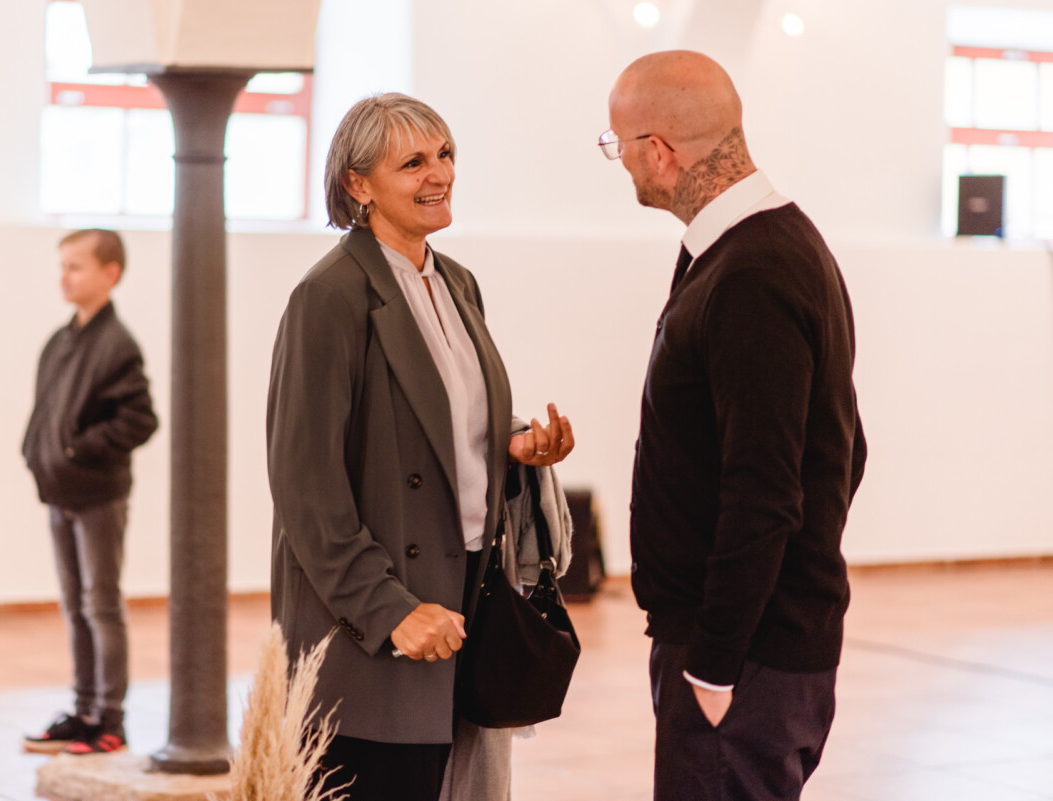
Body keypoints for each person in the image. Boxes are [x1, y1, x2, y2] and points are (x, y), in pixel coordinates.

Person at [267, 93, 574, 801]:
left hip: (467, 594)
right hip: (378, 614)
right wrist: (387, 609)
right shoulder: (329, 297)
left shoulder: (458, 282)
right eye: (413, 162)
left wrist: (515, 444)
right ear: (358, 184)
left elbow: (440, 427)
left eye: (446, 155)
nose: (439, 174)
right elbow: (305, 487)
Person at [606, 51, 867, 800]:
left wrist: (715, 665)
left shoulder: (754, 272)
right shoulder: (750, 248)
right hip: (752, 649)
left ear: (659, 151)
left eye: (617, 145)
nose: (619, 162)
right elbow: (846, 448)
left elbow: (765, 491)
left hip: (744, 658)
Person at [20, 229, 158, 755]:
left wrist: (77, 451)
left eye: (76, 266)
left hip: (99, 494)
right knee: (75, 605)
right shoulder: (62, 340)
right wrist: (37, 453)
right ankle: (81, 711)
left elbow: (141, 419)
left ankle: (110, 721)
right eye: (62, 266)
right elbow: (45, 413)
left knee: (101, 604)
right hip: (60, 493)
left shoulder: (117, 343)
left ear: (110, 274)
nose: (65, 276)